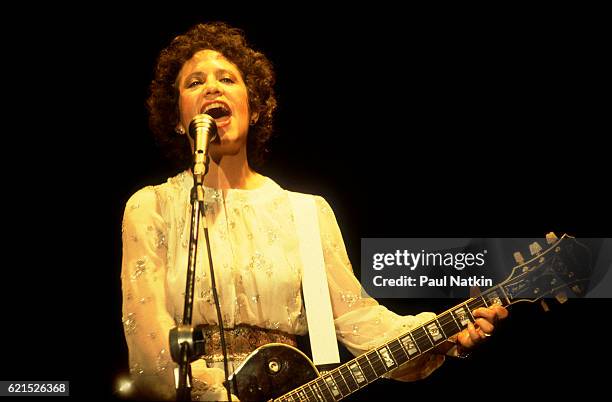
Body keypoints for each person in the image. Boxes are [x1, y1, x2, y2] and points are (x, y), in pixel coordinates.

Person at [121, 21, 508, 401]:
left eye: (227, 78)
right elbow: (149, 349)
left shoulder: (306, 213)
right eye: (194, 82)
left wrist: (446, 333)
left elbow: (361, 322)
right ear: (176, 119)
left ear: (253, 108)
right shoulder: (151, 206)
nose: (211, 87)